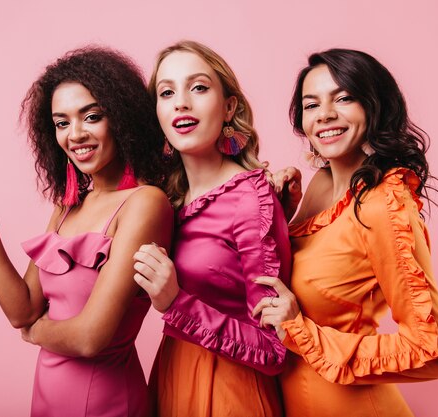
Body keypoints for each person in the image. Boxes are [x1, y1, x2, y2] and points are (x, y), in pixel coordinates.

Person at [0, 47, 173, 417]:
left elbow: (90, 338)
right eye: (62, 123)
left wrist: (36, 334)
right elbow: (22, 310)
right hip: (48, 397)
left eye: (91, 116)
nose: (75, 135)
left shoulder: (146, 203)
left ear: (123, 119)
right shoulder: (67, 208)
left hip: (105, 402)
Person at [253, 48, 438, 417]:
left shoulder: (382, 204)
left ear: (374, 107)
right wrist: (277, 217)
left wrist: (301, 331)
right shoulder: (320, 183)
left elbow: (432, 351)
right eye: (311, 105)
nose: (325, 114)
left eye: (344, 98)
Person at [131, 40, 291, 417]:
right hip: (172, 380)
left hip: (229, 394)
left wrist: (176, 302)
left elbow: (275, 349)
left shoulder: (251, 200)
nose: (181, 102)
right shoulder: (165, 199)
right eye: (166, 92)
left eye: (198, 87)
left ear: (229, 106)